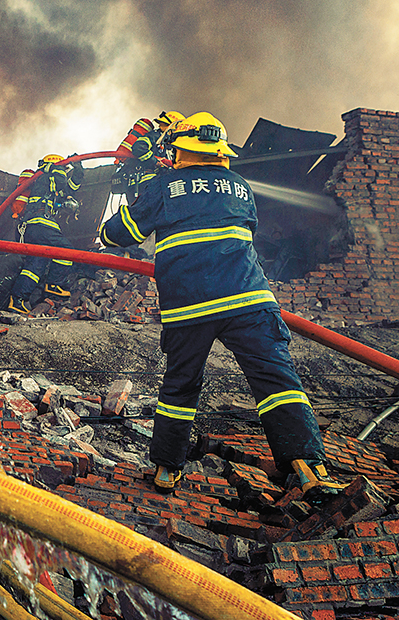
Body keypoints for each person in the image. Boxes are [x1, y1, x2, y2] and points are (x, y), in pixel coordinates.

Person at [98, 111, 345, 500]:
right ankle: (308, 467)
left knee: (181, 388)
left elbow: (119, 235)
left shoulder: (166, 186)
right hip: (249, 300)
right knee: (278, 383)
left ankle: (166, 470)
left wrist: (140, 194)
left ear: (180, 149)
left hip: (189, 309)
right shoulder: (242, 187)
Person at [7, 154, 84, 314]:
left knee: (36, 264)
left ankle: (17, 299)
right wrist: (60, 168)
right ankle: (54, 283)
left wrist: (78, 167)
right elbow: (62, 183)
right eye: (62, 168)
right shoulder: (45, 178)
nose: (64, 171)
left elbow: (72, 187)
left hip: (31, 228)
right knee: (66, 250)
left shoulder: (49, 183)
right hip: (41, 225)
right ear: (55, 166)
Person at [113, 111, 184, 203]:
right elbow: (139, 147)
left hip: (145, 184)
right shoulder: (156, 136)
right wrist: (155, 162)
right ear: (173, 127)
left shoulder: (166, 142)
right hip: (145, 182)